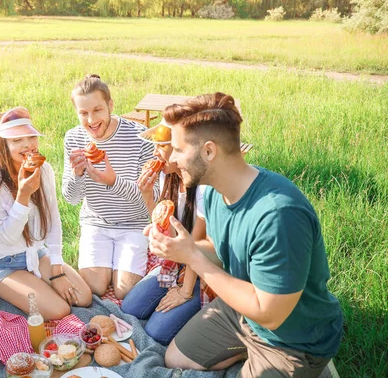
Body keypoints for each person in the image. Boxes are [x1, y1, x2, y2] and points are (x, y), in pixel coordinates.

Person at [148, 93, 343, 377]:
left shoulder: (278, 214)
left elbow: (271, 314)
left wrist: (193, 258)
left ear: (209, 151)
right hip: (242, 312)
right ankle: (247, 352)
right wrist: (181, 247)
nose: (173, 159)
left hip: (293, 339)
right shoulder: (214, 192)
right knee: (175, 358)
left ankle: (318, 369)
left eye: (178, 149)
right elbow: (217, 249)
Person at [0, 107, 92, 320]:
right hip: (3, 263)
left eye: (31, 136)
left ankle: (37, 283)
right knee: (59, 310)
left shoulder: (44, 169)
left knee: (83, 297)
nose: (28, 144)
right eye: (17, 140)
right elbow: (6, 238)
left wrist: (56, 271)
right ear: (4, 145)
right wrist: (23, 195)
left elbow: (54, 222)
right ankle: (11, 287)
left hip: (35, 254)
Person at [62, 74, 156, 300]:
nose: (91, 120)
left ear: (110, 106)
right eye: (83, 113)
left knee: (125, 290)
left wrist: (112, 181)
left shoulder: (139, 136)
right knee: (95, 287)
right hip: (96, 223)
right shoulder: (74, 138)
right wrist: (77, 174)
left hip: (134, 223)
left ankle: (123, 267)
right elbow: (71, 198)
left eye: (97, 110)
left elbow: (151, 196)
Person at [121, 117, 205, 345]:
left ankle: (200, 312)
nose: (156, 153)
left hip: (201, 270)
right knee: (131, 308)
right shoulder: (166, 175)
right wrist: (148, 197)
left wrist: (184, 292)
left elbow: (197, 247)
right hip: (175, 263)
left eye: (162, 146)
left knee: (158, 332)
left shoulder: (202, 188)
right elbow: (163, 229)